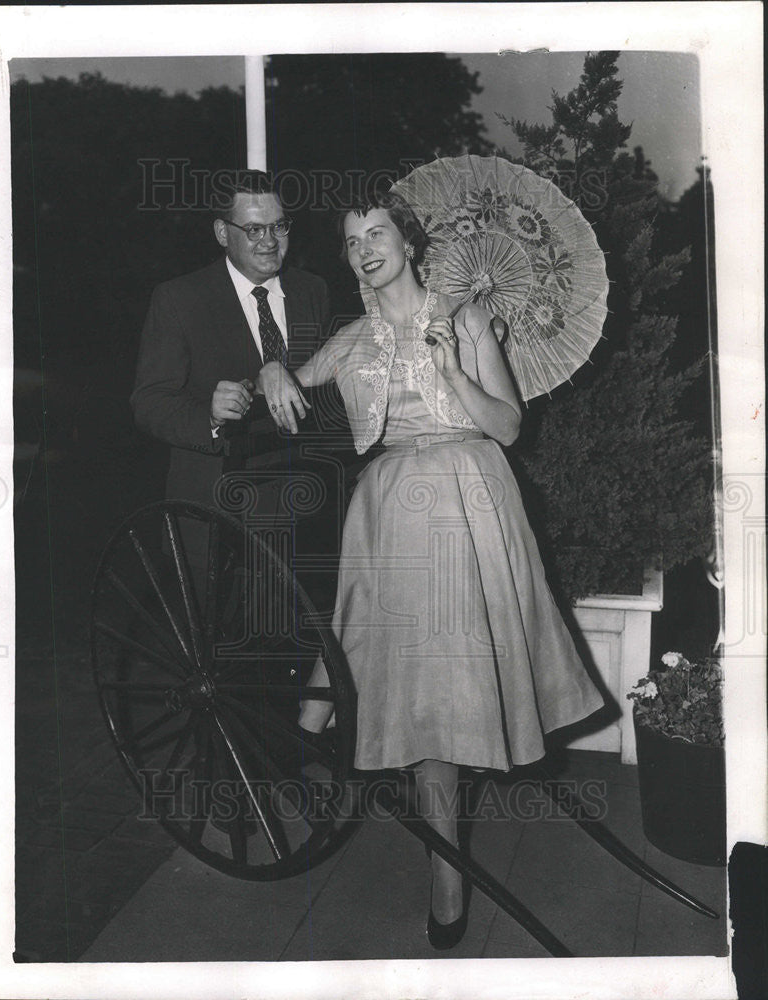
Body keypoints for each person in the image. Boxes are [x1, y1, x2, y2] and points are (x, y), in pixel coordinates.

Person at [257, 190, 604, 950]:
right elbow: (288, 379)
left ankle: (441, 868)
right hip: (388, 508)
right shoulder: (351, 340)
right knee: (413, 688)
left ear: (407, 244)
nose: (364, 249)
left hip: (471, 498)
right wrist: (272, 372)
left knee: (450, 687)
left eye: (377, 233)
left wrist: (453, 369)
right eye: (351, 241)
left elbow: (508, 425)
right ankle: (418, 835)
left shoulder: (463, 318)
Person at [131, 170, 330, 564]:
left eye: (278, 226)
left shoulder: (313, 291)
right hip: (216, 507)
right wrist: (208, 414)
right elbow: (149, 401)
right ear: (223, 233)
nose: (270, 241)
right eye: (254, 229)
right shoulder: (179, 299)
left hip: (305, 506)